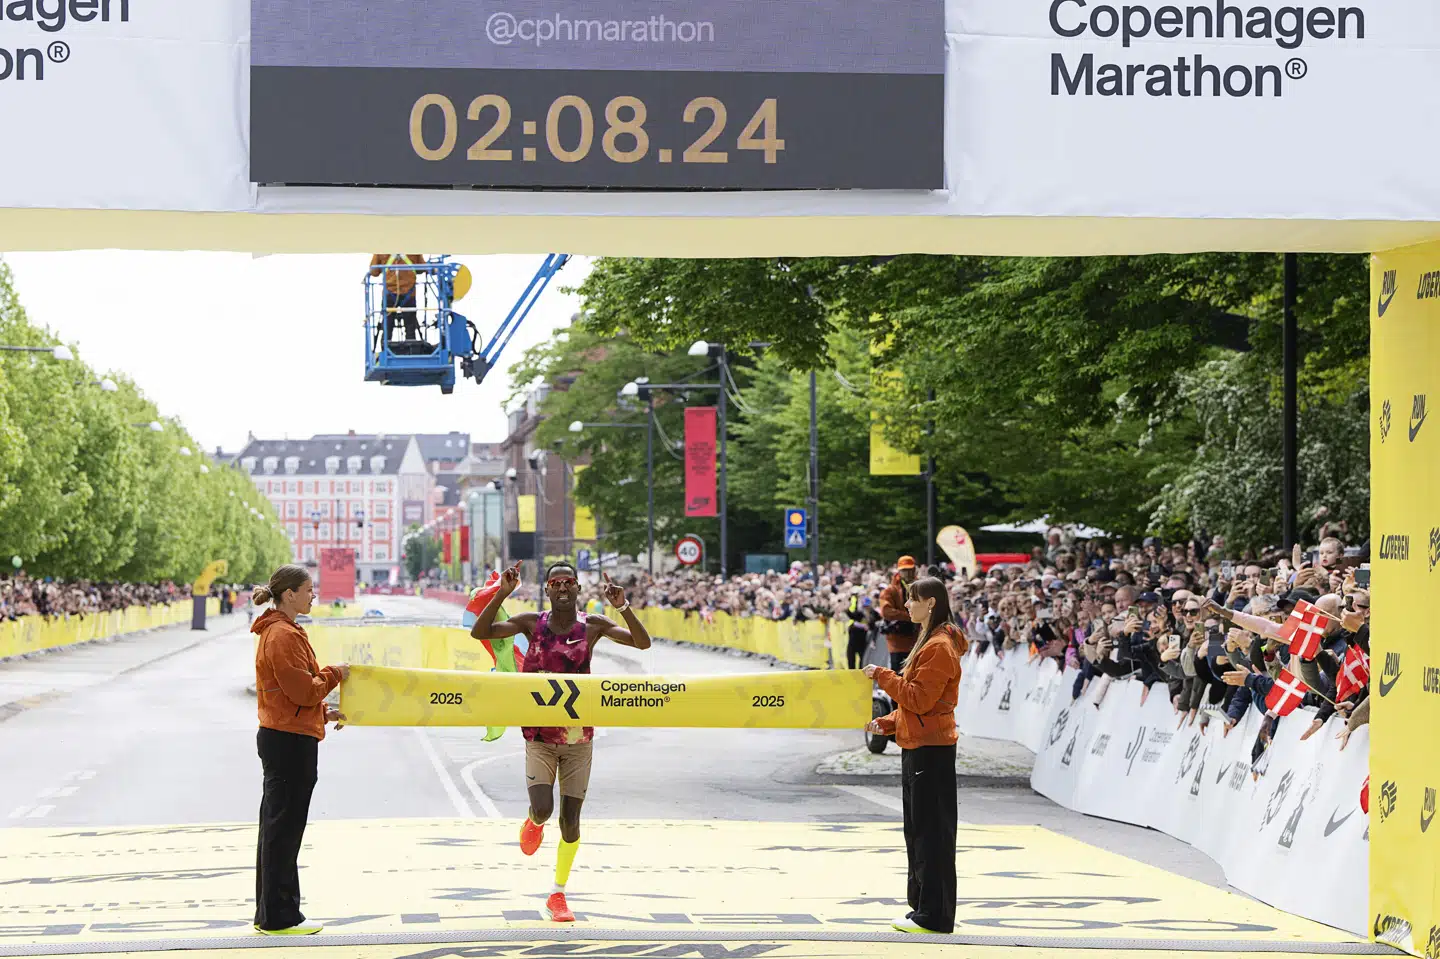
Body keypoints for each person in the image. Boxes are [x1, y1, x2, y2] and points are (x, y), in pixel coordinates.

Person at [469, 560, 652, 924]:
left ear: (578, 589)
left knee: (571, 823)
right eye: (556, 583)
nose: (563, 588)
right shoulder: (530, 623)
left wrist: (624, 607)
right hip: (538, 735)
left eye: (569, 582)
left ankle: (558, 893)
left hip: (578, 738)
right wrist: (503, 593)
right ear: (548, 590)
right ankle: (533, 822)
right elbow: (481, 632)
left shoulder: (593, 626)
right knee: (543, 810)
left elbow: (643, 644)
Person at [863, 576, 967, 935]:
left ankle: (934, 915)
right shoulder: (931, 641)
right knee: (919, 830)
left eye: (913, 599)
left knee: (931, 833)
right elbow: (920, 703)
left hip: (930, 748)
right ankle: (923, 906)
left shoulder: (938, 646)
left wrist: (883, 676)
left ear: (932, 603)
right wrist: (888, 723)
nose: (907, 605)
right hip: (919, 742)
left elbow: (920, 700)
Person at [251, 564, 349, 936]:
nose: (314, 595)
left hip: (286, 734)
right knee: (283, 831)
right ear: (289, 594)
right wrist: (335, 674)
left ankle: (272, 913)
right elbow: (304, 690)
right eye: (309, 590)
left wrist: (323, 713)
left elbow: (292, 694)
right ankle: (280, 916)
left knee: (277, 829)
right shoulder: (282, 635)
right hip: (289, 741)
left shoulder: (281, 630)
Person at [368, 253, 425, 348]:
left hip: (390, 293)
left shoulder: (381, 249)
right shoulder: (414, 248)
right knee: (410, 326)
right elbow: (422, 268)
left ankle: (385, 351)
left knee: (387, 325)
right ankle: (411, 351)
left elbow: (374, 271)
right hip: (409, 293)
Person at [878, 556, 919, 672]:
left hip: (917, 639)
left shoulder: (921, 587)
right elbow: (886, 611)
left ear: (914, 570)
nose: (907, 573)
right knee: (898, 675)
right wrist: (910, 617)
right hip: (897, 640)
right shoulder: (890, 590)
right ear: (899, 571)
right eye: (904, 570)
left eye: (909, 569)